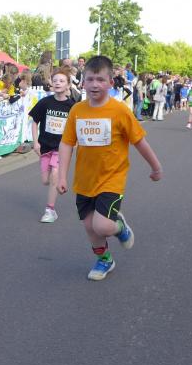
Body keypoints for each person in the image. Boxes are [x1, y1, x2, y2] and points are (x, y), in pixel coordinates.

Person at [56, 56, 162, 281]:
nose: (95, 85)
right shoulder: (77, 110)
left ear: (111, 82)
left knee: (102, 226)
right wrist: (62, 176)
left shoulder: (119, 111)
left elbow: (139, 141)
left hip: (111, 179)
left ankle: (120, 227)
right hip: (84, 180)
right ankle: (105, 260)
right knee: (89, 226)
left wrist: (156, 167)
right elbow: (66, 144)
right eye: (90, 79)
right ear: (82, 82)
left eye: (101, 80)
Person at [30, 67, 75, 222]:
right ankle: (54, 185)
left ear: (68, 84)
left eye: (62, 81)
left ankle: (50, 210)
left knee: (55, 174)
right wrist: (35, 142)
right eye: (55, 80)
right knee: (45, 180)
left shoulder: (72, 106)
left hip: (62, 147)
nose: (58, 83)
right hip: (45, 146)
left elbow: (77, 127)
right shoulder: (45, 102)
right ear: (51, 83)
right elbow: (34, 121)